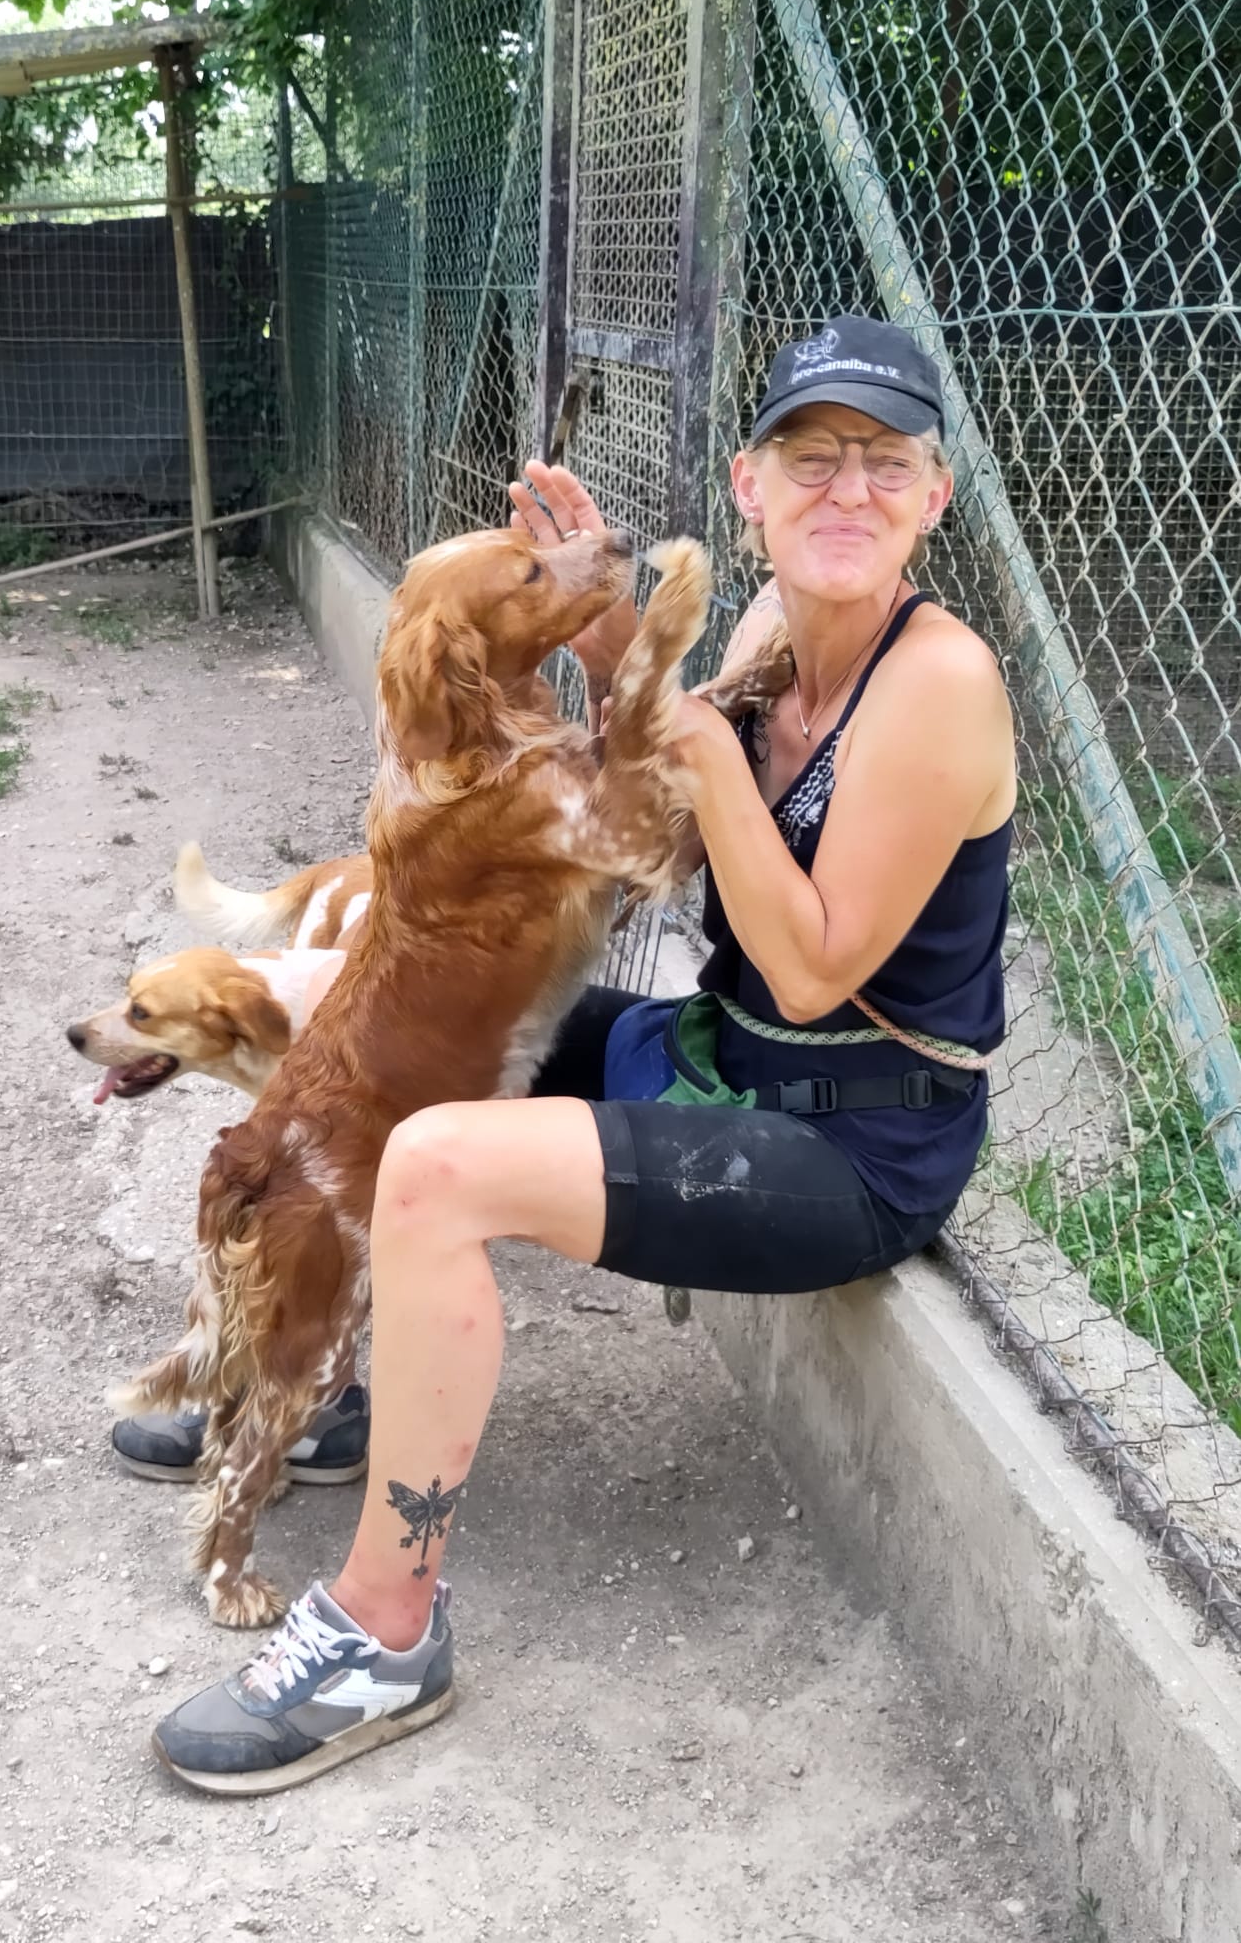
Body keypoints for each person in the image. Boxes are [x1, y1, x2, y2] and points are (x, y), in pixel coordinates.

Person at [138, 314, 1017, 1795]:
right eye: (812, 458)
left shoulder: (939, 684)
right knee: (355, 1022)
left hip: (850, 1143)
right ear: (749, 486)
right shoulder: (771, 636)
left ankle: (383, 1629)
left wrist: (697, 742)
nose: (847, 489)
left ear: (934, 496)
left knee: (435, 1168)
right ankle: (293, 1374)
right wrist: (612, 649)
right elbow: (665, 836)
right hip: (720, 1058)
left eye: (886, 462)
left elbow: (811, 966)